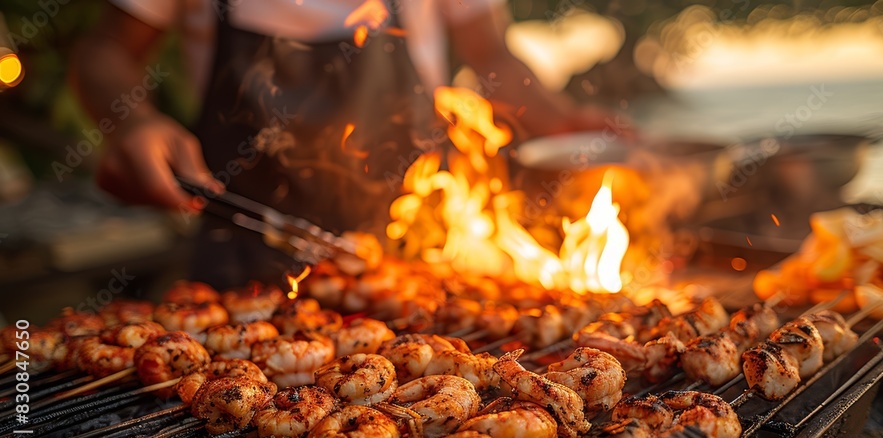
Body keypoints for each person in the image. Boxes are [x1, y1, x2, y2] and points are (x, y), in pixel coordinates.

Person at [70, 0, 613, 287]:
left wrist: (564, 122)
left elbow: (491, 58)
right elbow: (105, 51)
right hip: (244, 255)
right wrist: (133, 123)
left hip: (416, 250)